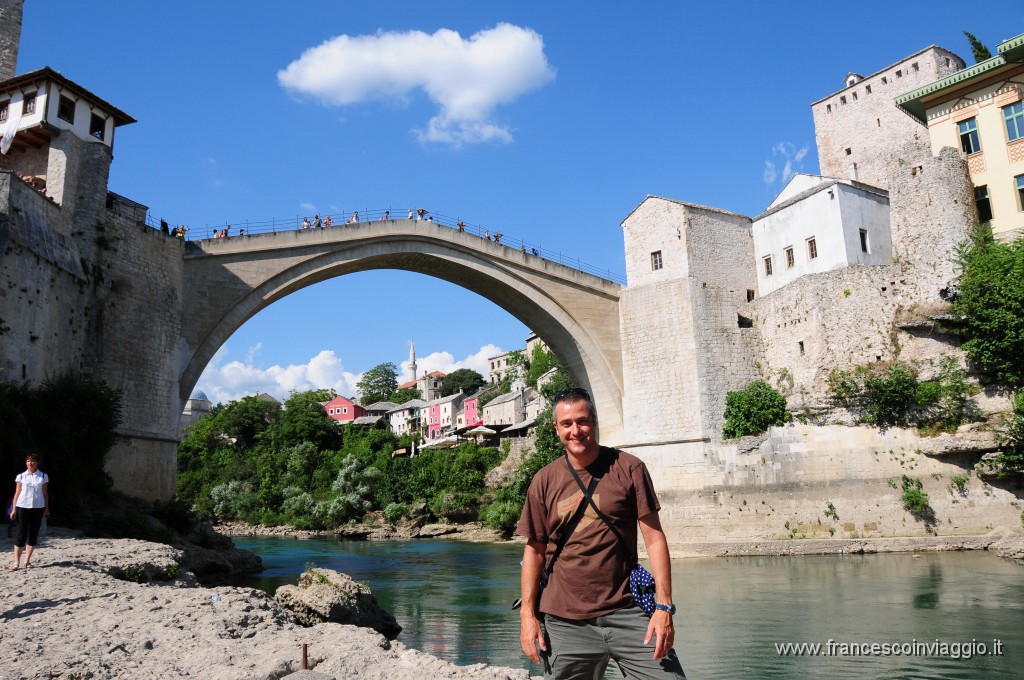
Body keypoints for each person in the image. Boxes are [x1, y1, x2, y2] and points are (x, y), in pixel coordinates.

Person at [517, 389, 686, 679]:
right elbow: (534, 550)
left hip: (627, 611)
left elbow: (655, 538)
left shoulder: (629, 468)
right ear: (556, 428)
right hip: (565, 620)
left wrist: (664, 607)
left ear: (594, 421)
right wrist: (527, 615)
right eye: (566, 423)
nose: (575, 430)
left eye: (582, 421)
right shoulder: (544, 481)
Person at [10, 453, 49, 570]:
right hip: (22, 507)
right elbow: (17, 493)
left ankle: (27, 561)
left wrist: (46, 508)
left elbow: (45, 493)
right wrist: (13, 509)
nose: (30, 463)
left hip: (38, 508)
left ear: (37, 463)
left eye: (32, 461)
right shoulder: (21, 476)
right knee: (21, 534)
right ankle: (16, 562)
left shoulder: (43, 476)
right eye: (28, 461)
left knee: (33, 534)